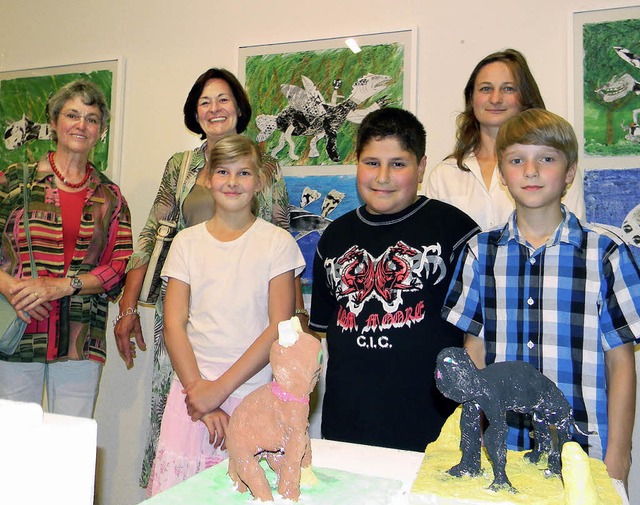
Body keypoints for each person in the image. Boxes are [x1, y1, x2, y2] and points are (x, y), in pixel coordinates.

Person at [112, 68, 301, 487]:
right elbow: (151, 232)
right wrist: (128, 306)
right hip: (188, 318)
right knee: (178, 418)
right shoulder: (180, 168)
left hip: (251, 325)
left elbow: (282, 238)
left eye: (223, 99)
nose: (214, 108)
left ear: (239, 107)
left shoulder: (267, 166)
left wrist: (296, 325)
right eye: (204, 101)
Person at [442, 108, 639, 500]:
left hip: (584, 452)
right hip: (502, 447)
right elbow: (474, 352)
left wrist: (620, 454)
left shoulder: (606, 254)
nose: (530, 170)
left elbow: (621, 362)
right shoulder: (479, 253)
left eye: (546, 158)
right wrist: (473, 441)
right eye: (517, 160)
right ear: (502, 172)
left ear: (569, 172)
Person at [309, 108, 480, 451]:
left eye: (398, 164)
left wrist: (471, 416)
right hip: (347, 427)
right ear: (356, 161)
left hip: (434, 432)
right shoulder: (333, 237)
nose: (382, 177)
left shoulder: (456, 231)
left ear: (421, 167)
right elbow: (320, 332)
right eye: (371, 162)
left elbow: (478, 338)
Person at [145, 135, 305, 496]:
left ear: (259, 181)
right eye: (223, 171)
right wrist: (200, 395)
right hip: (191, 397)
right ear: (207, 179)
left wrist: (219, 390)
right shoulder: (186, 243)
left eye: (244, 172)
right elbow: (173, 325)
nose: (233, 182)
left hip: (253, 397)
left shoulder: (277, 243)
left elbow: (278, 328)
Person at [0, 80, 133, 417]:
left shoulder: (109, 195)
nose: (81, 125)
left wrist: (60, 286)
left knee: (70, 446)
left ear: (101, 131)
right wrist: (10, 287)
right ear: (55, 121)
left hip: (80, 337)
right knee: (14, 444)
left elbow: (119, 266)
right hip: (17, 327)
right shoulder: (15, 182)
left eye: (91, 118)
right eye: (72, 115)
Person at [423, 49, 585, 230]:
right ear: (471, 98)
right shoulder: (444, 175)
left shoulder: (555, 168)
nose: (495, 99)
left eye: (508, 88)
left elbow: (573, 238)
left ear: (526, 97)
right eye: (486, 89)